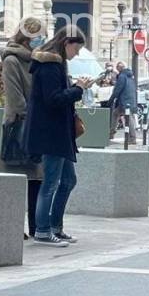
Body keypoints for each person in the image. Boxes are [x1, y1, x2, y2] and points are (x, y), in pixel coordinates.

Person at [22, 26, 92, 246]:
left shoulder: (55, 63)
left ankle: (54, 227)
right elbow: (53, 99)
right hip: (52, 133)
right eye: (76, 49)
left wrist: (76, 88)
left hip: (57, 132)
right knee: (51, 183)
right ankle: (43, 230)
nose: (76, 54)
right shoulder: (50, 65)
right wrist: (78, 89)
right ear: (66, 43)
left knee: (68, 180)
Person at [0, 18, 46, 238]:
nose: (41, 40)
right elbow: (15, 99)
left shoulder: (38, 59)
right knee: (15, 179)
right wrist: (31, 117)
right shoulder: (12, 60)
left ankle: (36, 226)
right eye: (38, 37)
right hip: (18, 125)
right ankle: (14, 227)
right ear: (27, 38)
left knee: (36, 179)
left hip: (35, 125)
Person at [108, 60, 138, 142]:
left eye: (117, 67)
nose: (117, 69)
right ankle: (111, 133)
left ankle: (132, 138)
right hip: (130, 99)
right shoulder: (130, 75)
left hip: (124, 101)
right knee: (116, 113)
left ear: (120, 68)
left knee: (128, 117)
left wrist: (110, 100)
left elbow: (117, 90)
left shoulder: (122, 76)